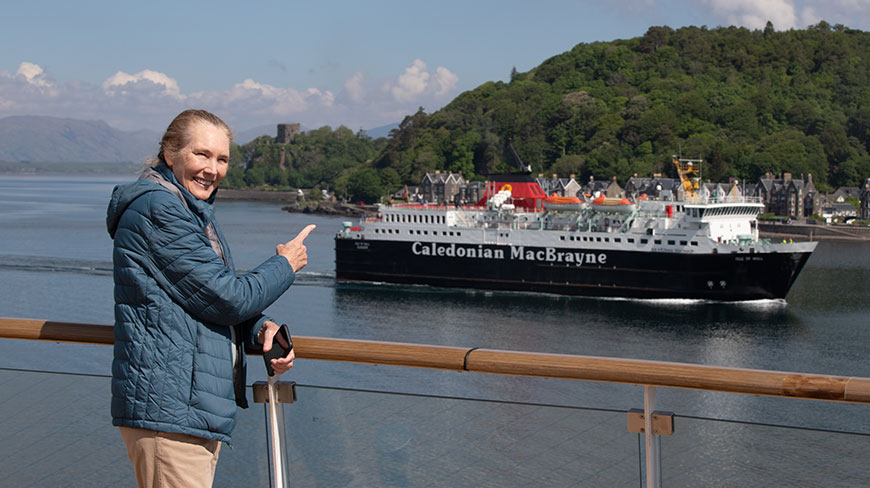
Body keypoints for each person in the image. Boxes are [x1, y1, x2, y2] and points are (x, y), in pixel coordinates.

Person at [106, 109, 313, 488]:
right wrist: (285, 264)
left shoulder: (187, 209)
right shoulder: (159, 210)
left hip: (186, 408)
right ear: (170, 154)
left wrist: (258, 328)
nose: (212, 169)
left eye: (222, 159)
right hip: (170, 410)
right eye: (201, 154)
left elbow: (202, 297)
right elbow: (228, 297)